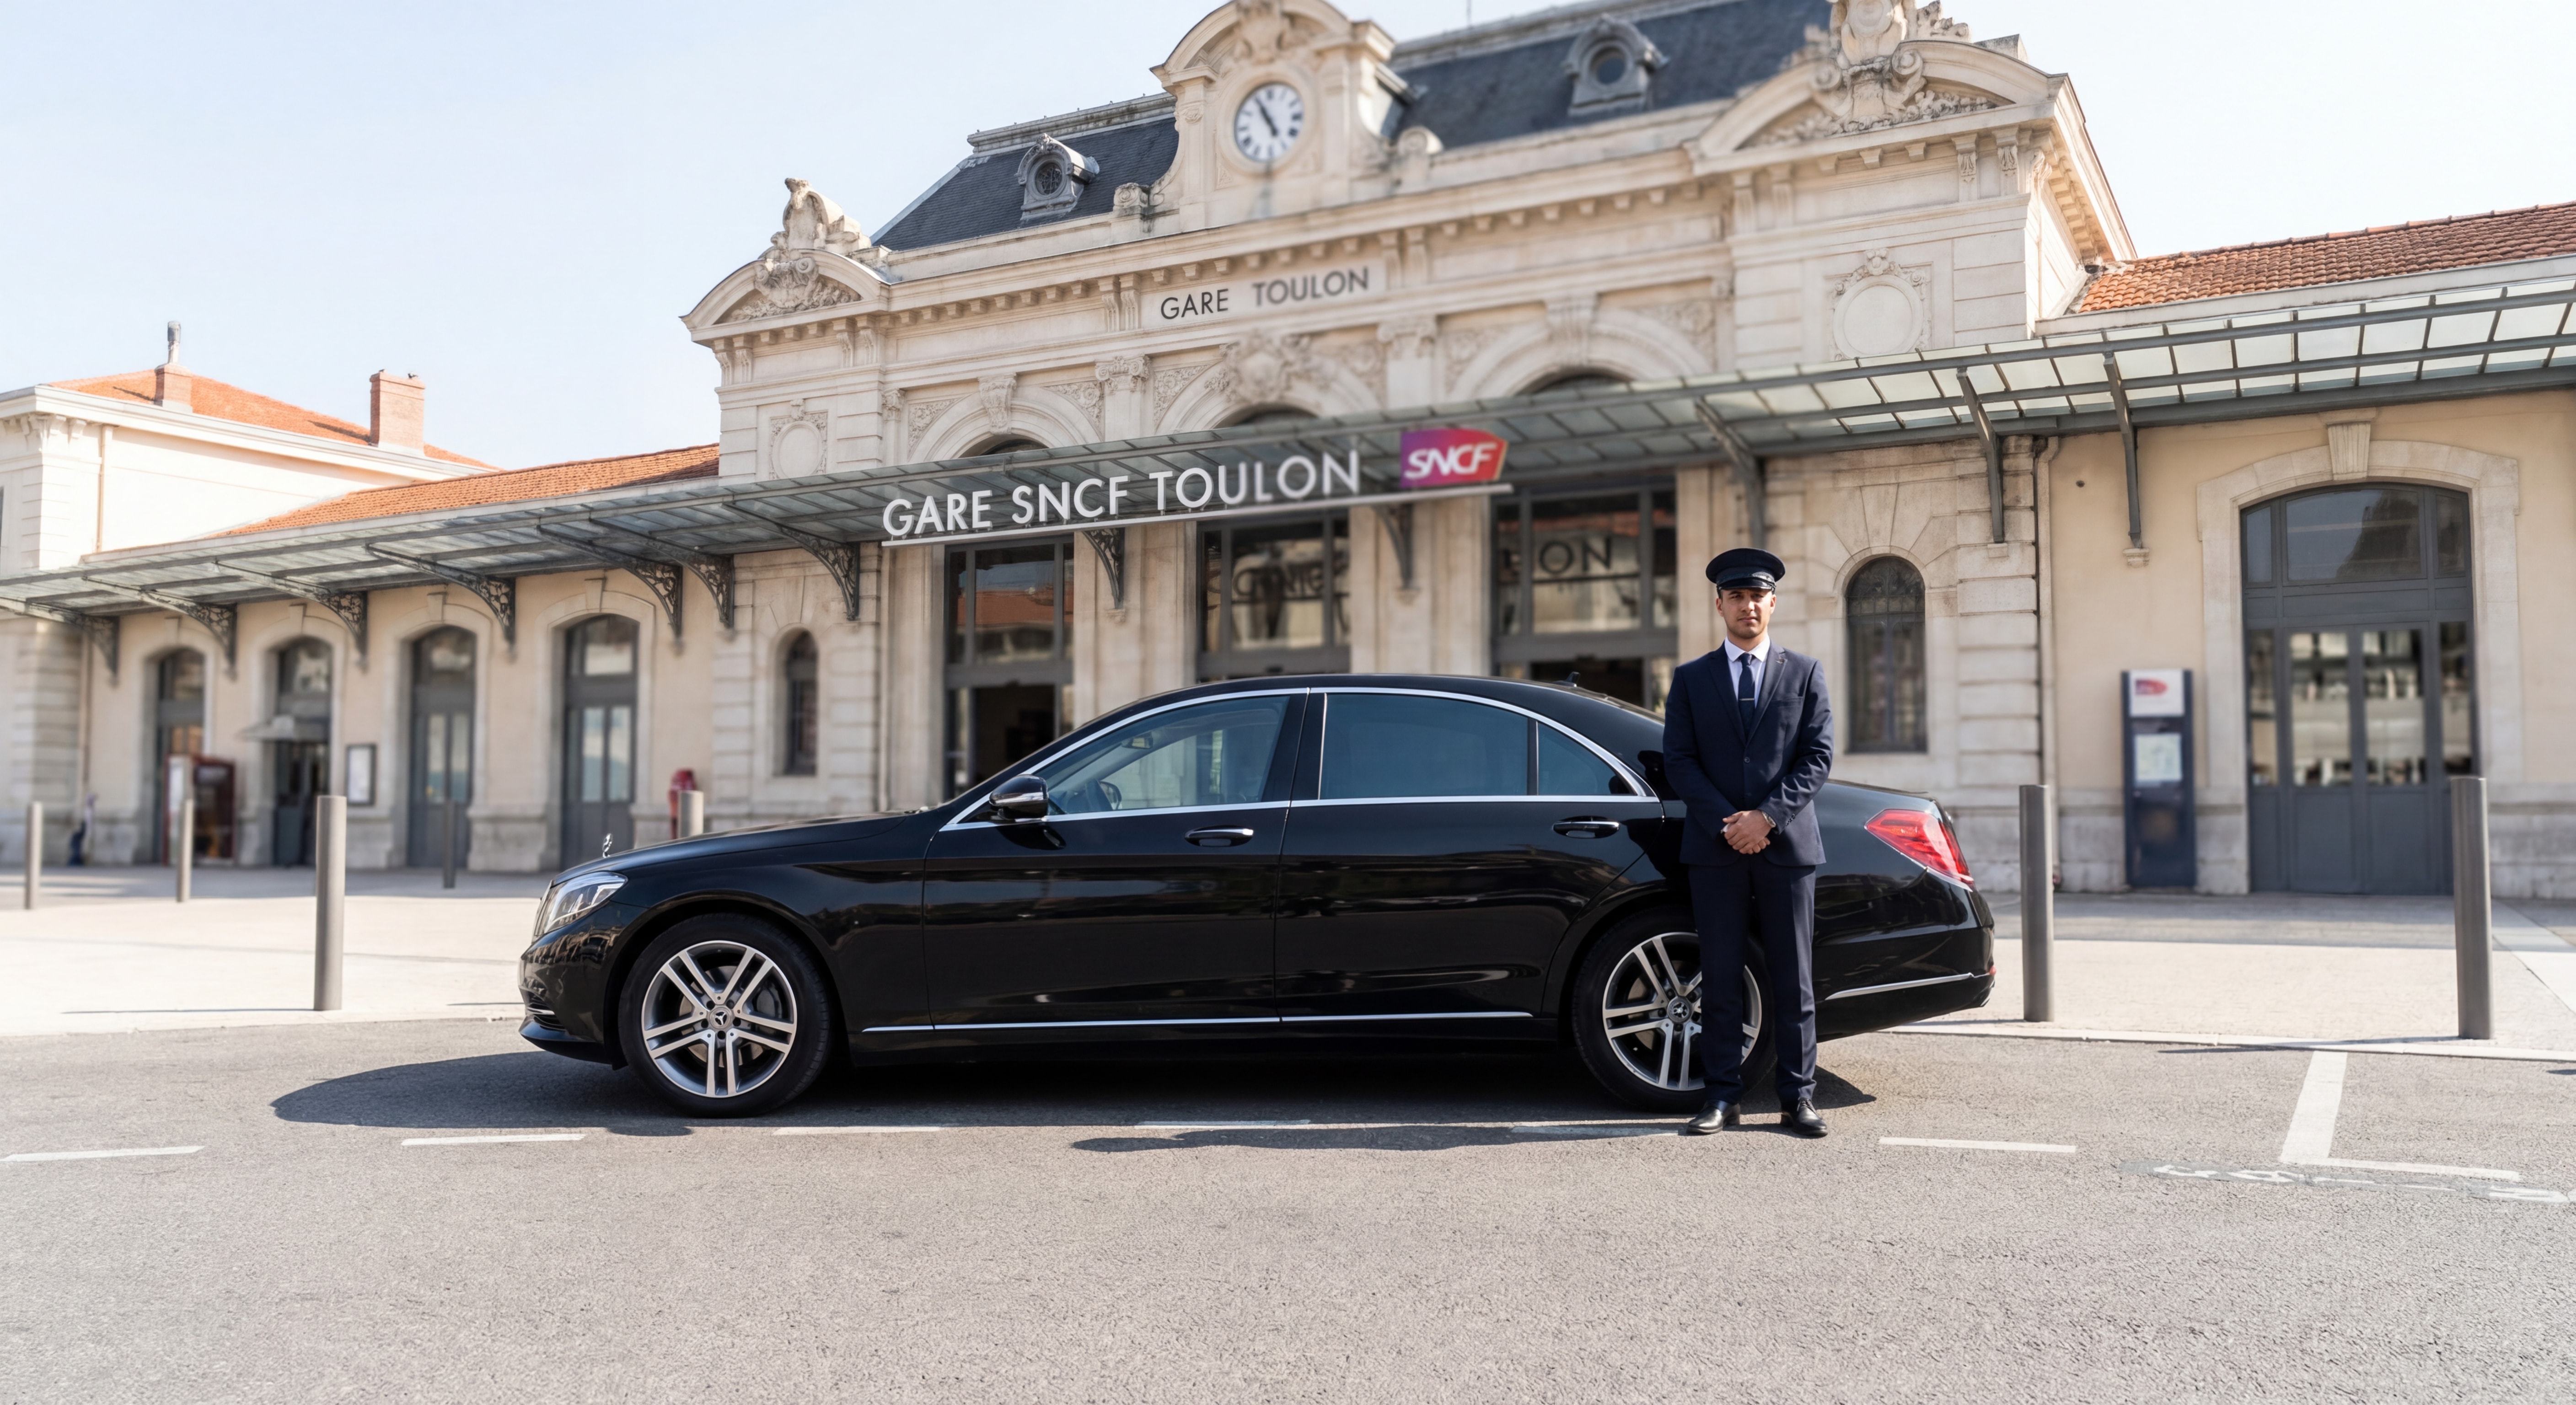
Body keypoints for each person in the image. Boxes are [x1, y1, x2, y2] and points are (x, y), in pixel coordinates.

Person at [1661, 547, 1835, 1137]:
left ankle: (1798, 1099)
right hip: (1716, 850)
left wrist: (1767, 818)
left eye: (1757, 596)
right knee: (1721, 974)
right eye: (1736, 597)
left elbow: (1817, 758)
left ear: (1772, 602)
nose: (1748, 606)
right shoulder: (1689, 679)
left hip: (1787, 849)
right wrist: (1729, 824)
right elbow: (1680, 763)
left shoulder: (1805, 673)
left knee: (1794, 979)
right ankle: (1722, 1097)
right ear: (1720, 605)